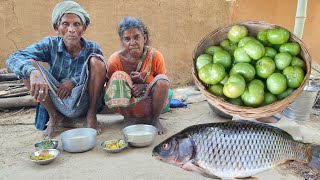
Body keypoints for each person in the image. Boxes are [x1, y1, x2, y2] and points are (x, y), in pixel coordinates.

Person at [6, 1, 107, 138]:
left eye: (77, 24)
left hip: (83, 99)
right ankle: (54, 115)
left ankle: (91, 115)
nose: (71, 29)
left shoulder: (92, 47)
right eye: (65, 24)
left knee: (97, 62)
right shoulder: (50, 44)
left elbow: (102, 73)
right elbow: (14, 58)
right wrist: (33, 72)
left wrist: (73, 81)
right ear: (57, 28)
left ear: (83, 29)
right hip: (58, 97)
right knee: (29, 64)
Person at [105, 16, 169, 135]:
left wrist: (144, 85)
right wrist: (130, 83)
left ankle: (155, 120)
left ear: (144, 38)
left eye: (136, 37)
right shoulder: (115, 60)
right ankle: (128, 118)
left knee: (162, 80)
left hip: (150, 105)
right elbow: (110, 88)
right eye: (127, 39)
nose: (132, 43)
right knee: (118, 76)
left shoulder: (155, 56)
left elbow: (162, 85)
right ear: (122, 41)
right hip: (126, 107)